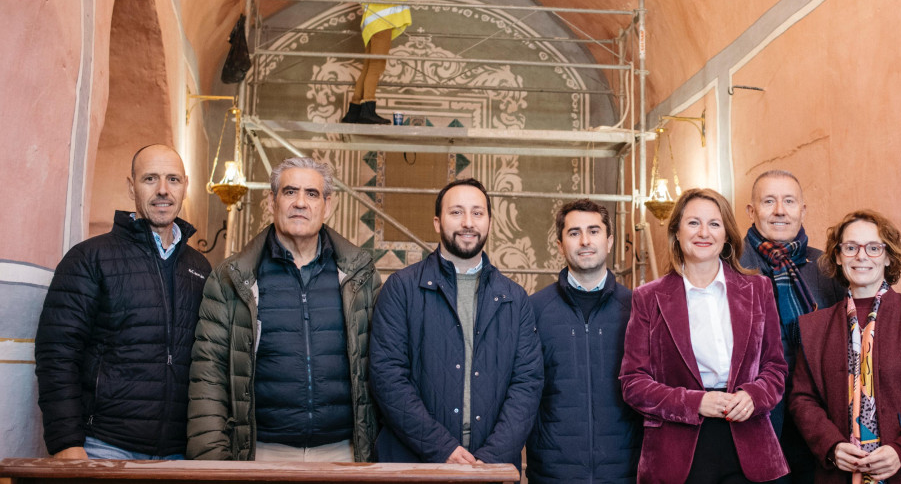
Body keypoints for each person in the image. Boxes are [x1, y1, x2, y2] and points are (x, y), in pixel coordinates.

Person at [187, 157, 380, 462]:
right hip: (262, 452)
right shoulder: (232, 278)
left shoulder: (360, 275)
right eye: (290, 192)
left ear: (328, 206)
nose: (300, 202)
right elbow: (208, 375)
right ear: (272, 201)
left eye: (312, 194)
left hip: (344, 452)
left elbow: (382, 367)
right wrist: (212, 462)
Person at [35, 144, 211, 460]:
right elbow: (57, 354)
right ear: (131, 187)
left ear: (185, 186)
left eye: (173, 179)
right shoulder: (90, 258)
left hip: (179, 453)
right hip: (104, 447)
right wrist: (66, 444)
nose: (163, 190)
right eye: (150, 179)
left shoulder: (199, 268)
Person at [370, 178, 542, 470]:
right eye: (456, 212)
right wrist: (441, 447)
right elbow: (388, 378)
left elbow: (527, 383)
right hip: (411, 462)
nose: (468, 222)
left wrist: (492, 456)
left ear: (489, 222)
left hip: (489, 467)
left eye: (477, 213)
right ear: (437, 222)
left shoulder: (515, 298)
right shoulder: (401, 288)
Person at [620, 188, 789, 484]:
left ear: (726, 235)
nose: (704, 233)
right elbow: (633, 383)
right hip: (676, 452)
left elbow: (775, 368)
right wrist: (694, 402)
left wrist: (753, 395)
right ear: (676, 232)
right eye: (693, 223)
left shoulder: (758, 289)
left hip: (750, 444)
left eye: (714, 224)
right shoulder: (648, 298)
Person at [789, 210, 901, 484]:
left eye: (873, 247)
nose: (861, 256)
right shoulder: (814, 327)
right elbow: (802, 399)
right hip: (842, 474)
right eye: (850, 247)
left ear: (888, 256)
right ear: (838, 256)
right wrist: (832, 446)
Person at [526, 200, 641, 482]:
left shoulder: (638, 309)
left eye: (594, 231)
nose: (585, 241)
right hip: (553, 473)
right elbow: (523, 391)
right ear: (560, 245)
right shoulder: (533, 310)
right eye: (574, 233)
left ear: (609, 241)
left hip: (625, 472)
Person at [740, 170, 841, 483]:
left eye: (789, 201)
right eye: (769, 201)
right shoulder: (731, 267)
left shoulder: (828, 268)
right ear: (751, 210)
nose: (780, 211)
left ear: (803, 210)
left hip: (818, 419)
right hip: (754, 419)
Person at [341, 0, 412, 124]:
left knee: (367, 68)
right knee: (376, 67)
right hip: (382, 22)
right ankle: (368, 109)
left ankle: (353, 111)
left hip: (371, 24)